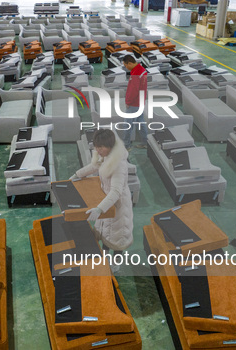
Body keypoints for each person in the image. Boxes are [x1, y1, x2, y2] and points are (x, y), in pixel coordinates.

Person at [69, 129, 133, 273]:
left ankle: (116, 265)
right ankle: (103, 260)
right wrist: (77, 175)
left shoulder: (118, 165)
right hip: (107, 202)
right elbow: (94, 166)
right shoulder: (105, 155)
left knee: (117, 237)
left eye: (101, 147)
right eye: (96, 147)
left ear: (110, 146)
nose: (98, 150)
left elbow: (116, 191)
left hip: (118, 205)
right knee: (105, 233)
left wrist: (99, 209)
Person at [122, 55, 148, 150]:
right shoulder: (142, 70)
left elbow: (133, 90)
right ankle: (145, 142)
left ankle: (126, 145)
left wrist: (128, 101)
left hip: (134, 103)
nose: (126, 67)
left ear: (130, 63)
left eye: (125, 65)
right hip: (140, 102)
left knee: (127, 125)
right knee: (141, 122)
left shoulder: (136, 74)